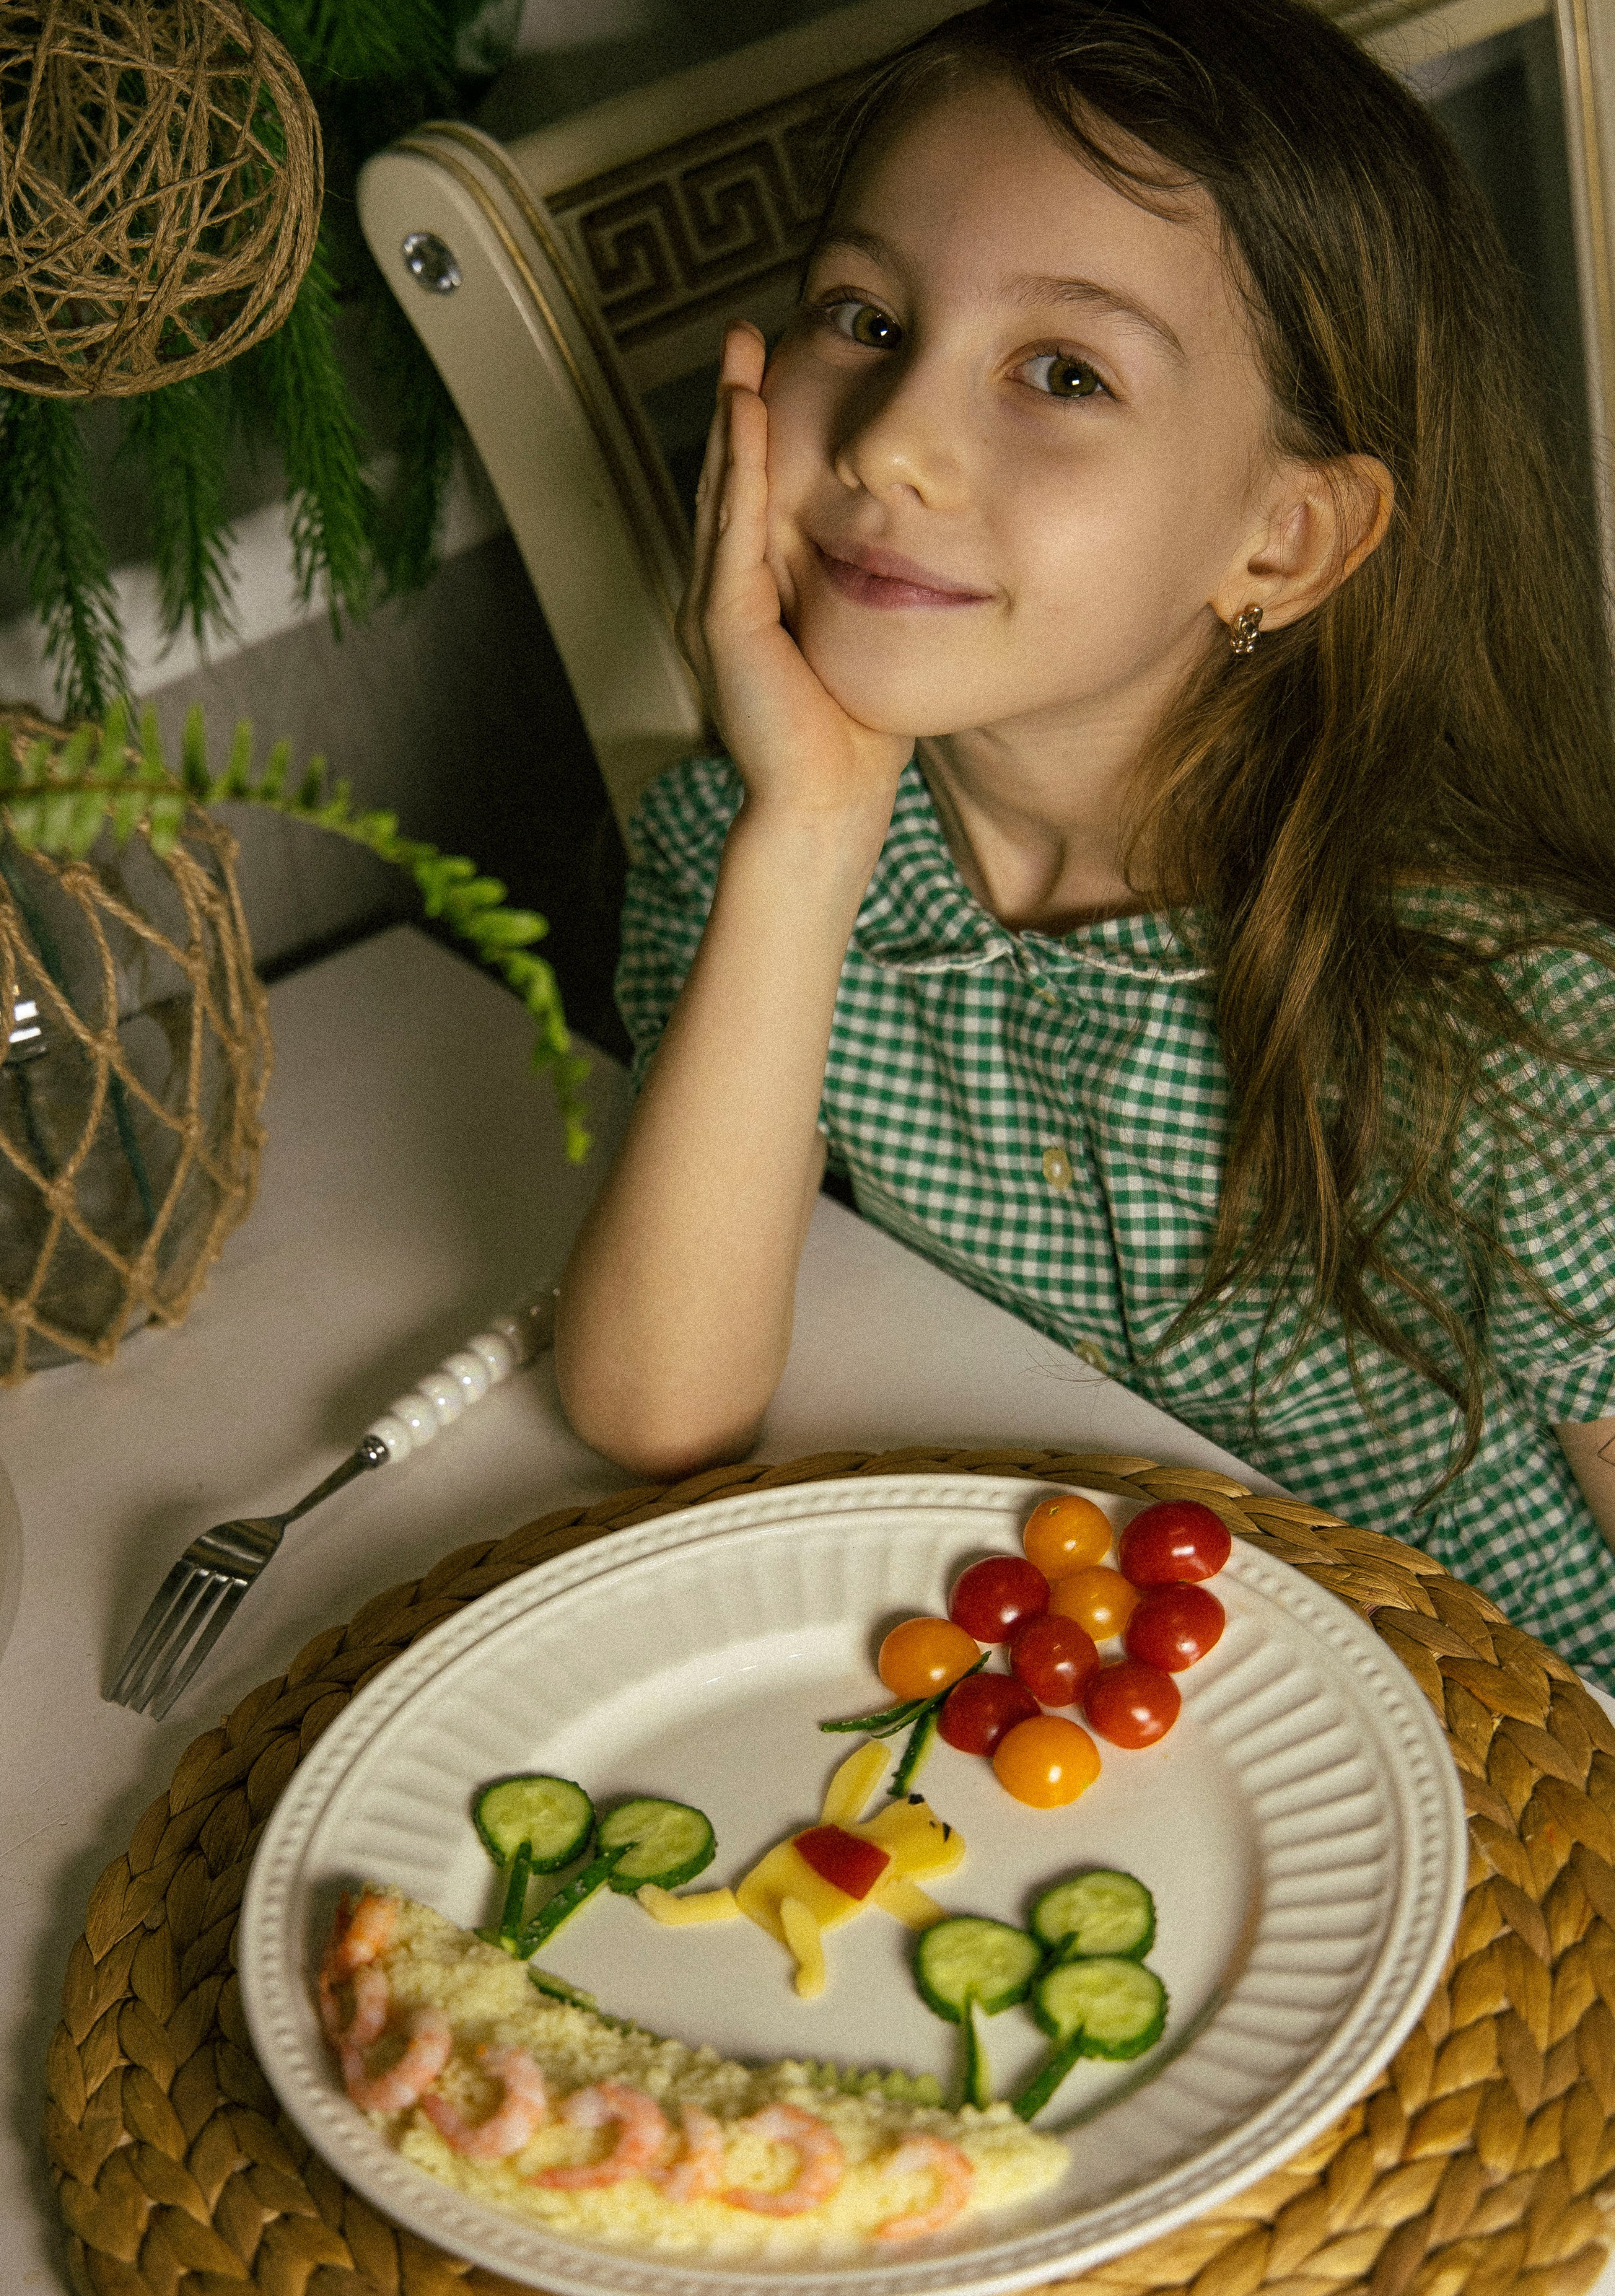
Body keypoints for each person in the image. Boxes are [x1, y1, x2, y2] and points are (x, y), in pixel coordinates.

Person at [553, 0, 1615, 1677]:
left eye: (1060, 373)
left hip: (1521, 1767)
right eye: (860, 314)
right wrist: (811, 834)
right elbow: (651, 1409)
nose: (893, 436)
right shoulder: (752, 858)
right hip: (1090, 1754)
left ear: (1278, 537)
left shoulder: (1512, 1010)